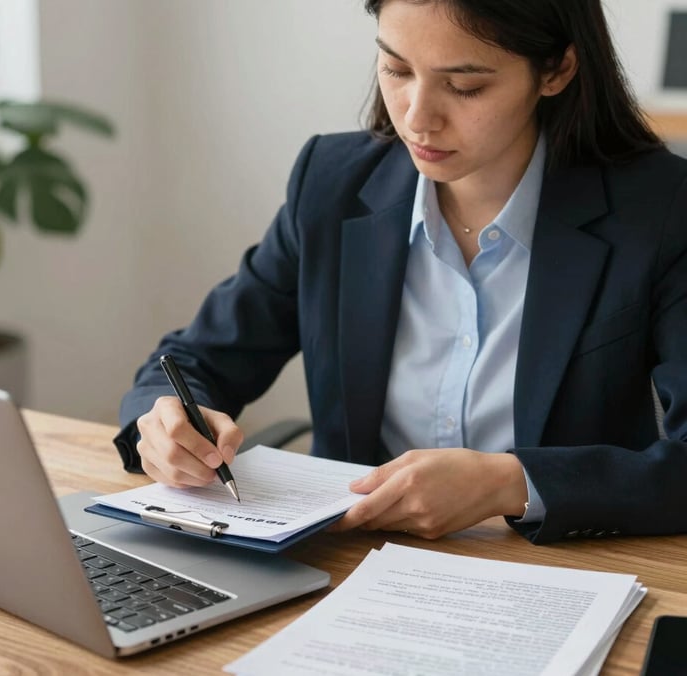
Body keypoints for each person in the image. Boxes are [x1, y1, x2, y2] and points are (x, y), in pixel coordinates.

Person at [114, 0, 687, 545]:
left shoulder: (660, 210)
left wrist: (510, 483)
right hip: (348, 560)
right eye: (395, 68)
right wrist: (163, 425)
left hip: (561, 570)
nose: (417, 118)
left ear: (556, 69)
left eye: (466, 85)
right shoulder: (331, 185)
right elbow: (194, 360)